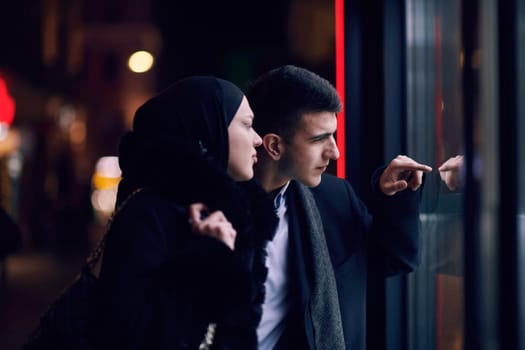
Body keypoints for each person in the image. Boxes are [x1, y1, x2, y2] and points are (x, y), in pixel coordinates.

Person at [245, 65, 433, 350]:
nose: (335, 152)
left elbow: (394, 259)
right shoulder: (211, 210)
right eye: (319, 139)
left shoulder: (333, 197)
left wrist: (395, 195)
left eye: (333, 136)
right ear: (273, 146)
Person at [93, 77, 278, 349]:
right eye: (247, 125)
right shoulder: (147, 213)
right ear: (208, 130)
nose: (258, 139)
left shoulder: (235, 215)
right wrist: (208, 257)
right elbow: (135, 335)